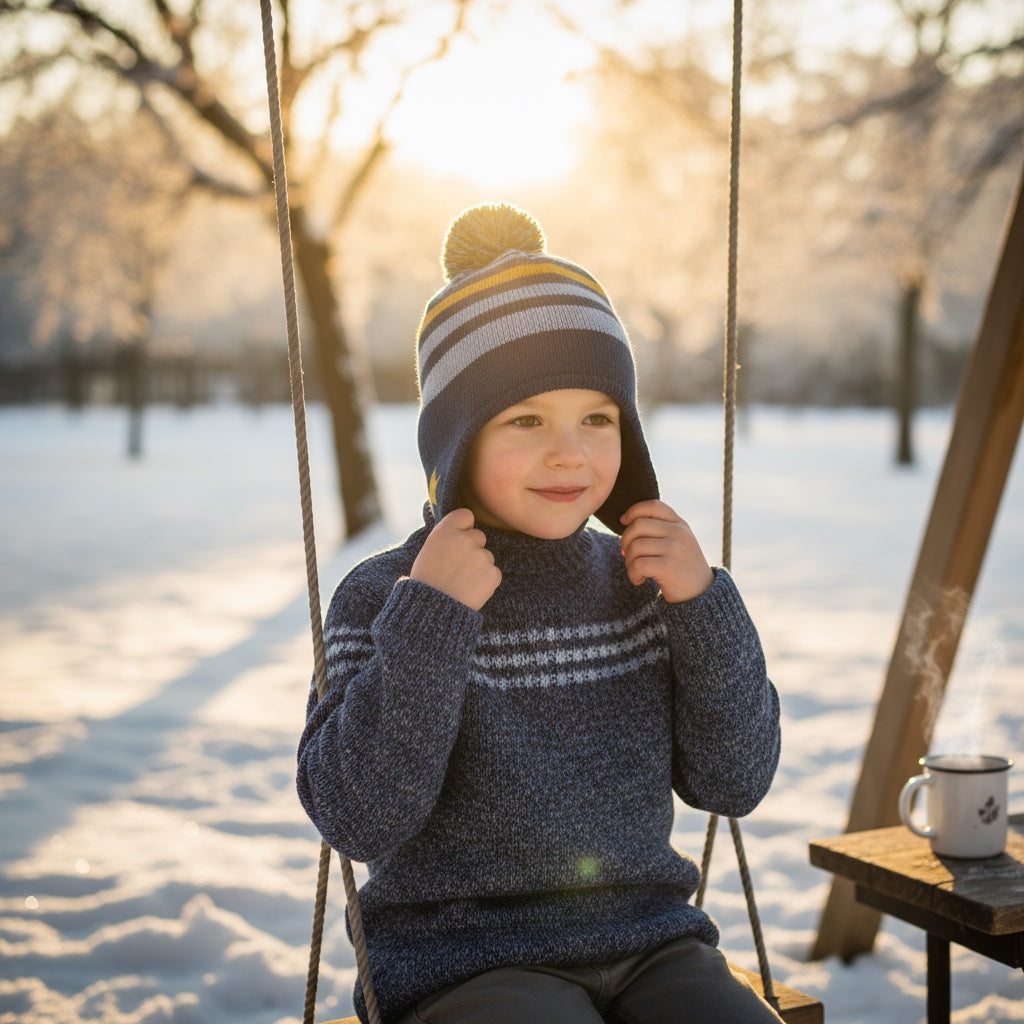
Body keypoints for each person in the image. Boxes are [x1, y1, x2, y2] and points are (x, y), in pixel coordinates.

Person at [297, 202, 782, 1024]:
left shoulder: (644, 581)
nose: (571, 453)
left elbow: (734, 781)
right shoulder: (387, 595)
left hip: (654, 948)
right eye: (526, 420)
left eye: (597, 418)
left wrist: (705, 606)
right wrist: (431, 620)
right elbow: (359, 816)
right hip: (463, 966)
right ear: (455, 443)